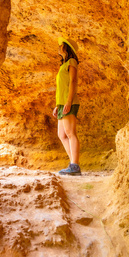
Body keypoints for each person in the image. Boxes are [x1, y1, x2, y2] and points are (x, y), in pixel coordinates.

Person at [52, 36, 81, 175]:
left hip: (69, 102)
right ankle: (72, 164)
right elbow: (62, 87)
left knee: (70, 133)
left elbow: (73, 82)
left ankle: (75, 166)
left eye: (61, 45)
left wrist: (68, 102)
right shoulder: (63, 65)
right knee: (61, 134)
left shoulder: (72, 61)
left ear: (66, 48)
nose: (59, 47)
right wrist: (58, 105)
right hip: (62, 103)